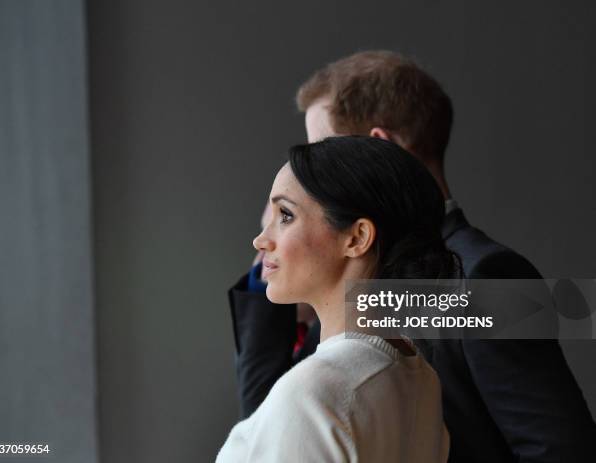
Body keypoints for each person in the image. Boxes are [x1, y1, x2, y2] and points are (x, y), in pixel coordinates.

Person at [228, 51, 596, 462]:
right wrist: (273, 267)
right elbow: (276, 423)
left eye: (323, 149)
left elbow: (560, 449)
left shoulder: (485, 279)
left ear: (376, 149)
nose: (306, 170)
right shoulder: (351, 282)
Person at [219, 136, 453, 462]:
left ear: (356, 238)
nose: (261, 240)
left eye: (285, 215)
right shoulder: (420, 379)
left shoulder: (313, 392)